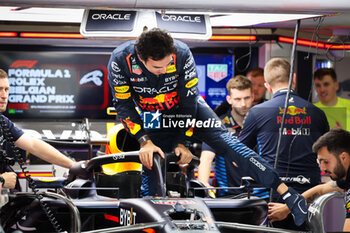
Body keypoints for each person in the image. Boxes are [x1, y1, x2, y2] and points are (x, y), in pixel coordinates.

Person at [107, 28, 309, 226]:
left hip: (189, 108)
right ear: (142, 59)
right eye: (157, 68)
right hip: (153, 114)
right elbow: (123, 106)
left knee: (231, 146)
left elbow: (189, 101)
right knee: (152, 166)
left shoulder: (182, 52)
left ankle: (290, 195)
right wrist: (145, 141)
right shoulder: (120, 60)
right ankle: (153, 226)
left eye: (167, 64)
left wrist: (181, 141)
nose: (164, 71)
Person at [239, 58, 329, 230]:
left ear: (267, 85)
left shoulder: (257, 112)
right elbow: (327, 158)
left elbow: (239, 156)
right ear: (293, 78)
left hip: (273, 195)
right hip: (309, 196)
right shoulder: (318, 113)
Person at [0, 69, 86, 190]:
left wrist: (74, 166)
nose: (4, 95)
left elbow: (33, 145)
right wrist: (2, 181)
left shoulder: (2, 122)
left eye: (6, 89)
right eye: (0, 89)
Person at [268, 129, 350, 232]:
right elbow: (321, 190)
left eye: (326, 162)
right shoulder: (345, 177)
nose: (322, 169)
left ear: (344, 157)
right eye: (320, 162)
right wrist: (287, 208)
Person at [197, 75, 253, 196]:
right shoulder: (217, 126)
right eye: (238, 99)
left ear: (253, 97)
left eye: (247, 98)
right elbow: (206, 158)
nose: (243, 104)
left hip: (260, 196)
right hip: (227, 196)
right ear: (229, 99)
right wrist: (203, 183)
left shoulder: (262, 123)